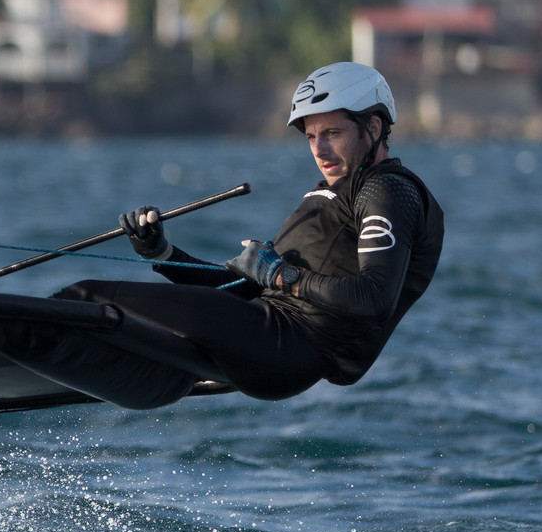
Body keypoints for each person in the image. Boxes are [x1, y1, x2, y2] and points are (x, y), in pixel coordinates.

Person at [36, 62, 444, 408]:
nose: (319, 149)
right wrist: (162, 253)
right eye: (311, 136)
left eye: (332, 134)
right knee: (106, 307)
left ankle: (20, 337)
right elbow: (245, 290)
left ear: (373, 126)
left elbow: (374, 297)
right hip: (267, 338)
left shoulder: (386, 189)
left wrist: (282, 275)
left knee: (85, 296)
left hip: (287, 345)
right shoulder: (338, 194)